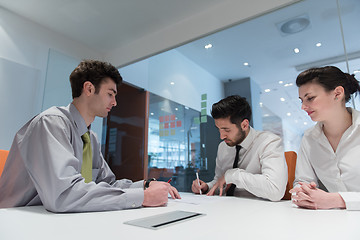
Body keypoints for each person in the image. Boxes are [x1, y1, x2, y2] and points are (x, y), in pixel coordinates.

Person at [0, 60, 180, 212]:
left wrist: (145, 185)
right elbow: (64, 195)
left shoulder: (90, 138)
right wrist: (142, 197)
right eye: (110, 94)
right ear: (88, 88)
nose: (115, 102)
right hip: (18, 218)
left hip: (58, 219)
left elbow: (107, 184)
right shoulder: (52, 123)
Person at [191, 95, 288, 201]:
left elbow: (275, 190)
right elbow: (220, 182)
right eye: (219, 129)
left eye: (226, 130)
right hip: (227, 208)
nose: (221, 136)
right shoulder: (223, 146)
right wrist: (206, 187)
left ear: (244, 125)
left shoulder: (268, 142)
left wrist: (233, 175)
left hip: (258, 211)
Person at [290, 66, 360, 210]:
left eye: (310, 98)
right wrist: (303, 191)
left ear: (337, 93)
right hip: (330, 222)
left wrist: (338, 200)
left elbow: (332, 200)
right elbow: (302, 181)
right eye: (301, 100)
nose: (303, 107)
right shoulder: (309, 138)